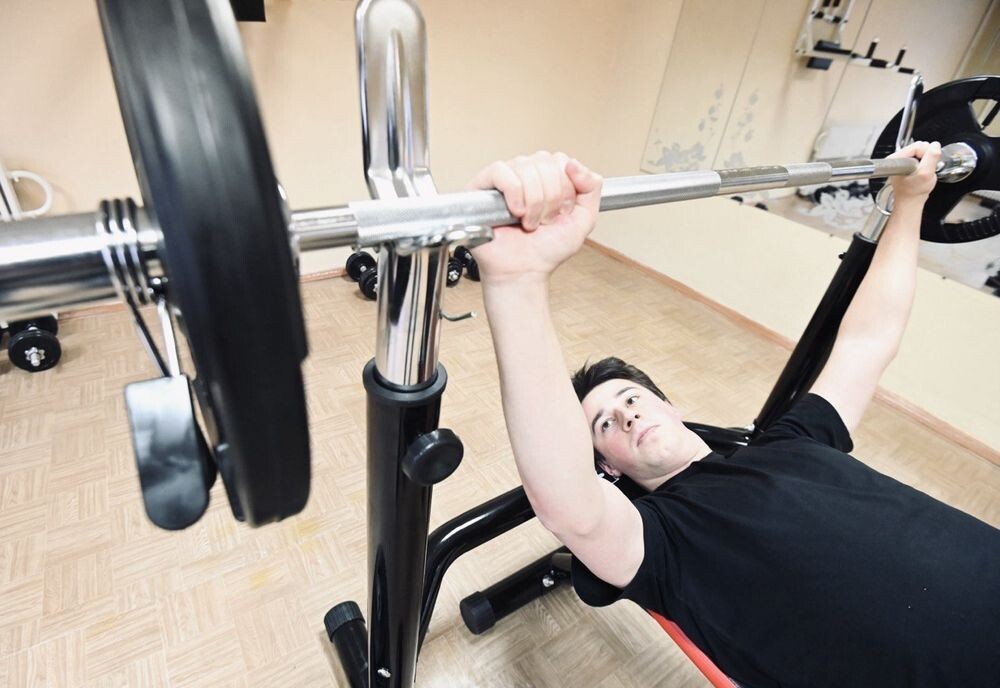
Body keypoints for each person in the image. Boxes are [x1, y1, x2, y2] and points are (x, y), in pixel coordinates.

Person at [468, 146, 1000, 687]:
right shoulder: (661, 546)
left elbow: (869, 341)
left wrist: (911, 201)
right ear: (606, 468)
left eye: (631, 398)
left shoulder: (794, 439)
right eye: (603, 424)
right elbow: (571, 509)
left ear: (670, 407)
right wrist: (517, 281)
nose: (626, 416)